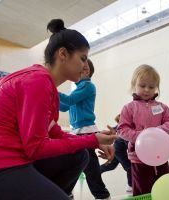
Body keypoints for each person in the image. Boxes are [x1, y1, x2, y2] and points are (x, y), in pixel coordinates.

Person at [0, 19, 117, 200]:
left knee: (79, 155)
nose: (86, 66)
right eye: (83, 58)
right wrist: (91, 138)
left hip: (11, 160)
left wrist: (93, 141)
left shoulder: (46, 86)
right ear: (63, 54)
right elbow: (36, 148)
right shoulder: (38, 82)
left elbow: (55, 132)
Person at [118, 64, 169, 196]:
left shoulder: (161, 107)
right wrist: (141, 136)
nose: (146, 90)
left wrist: (158, 132)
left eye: (151, 87)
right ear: (134, 84)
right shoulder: (129, 108)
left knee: (163, 188)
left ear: (156, 87)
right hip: (139, 158)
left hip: (161, 156)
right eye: (142, 85)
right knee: (142, 191)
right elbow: (122, 129)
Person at [59, 59, 112, 200]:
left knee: (90, 167)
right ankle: (67, 192)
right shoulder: (78, 90)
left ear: (86, 70)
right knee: (76, 164)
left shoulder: (88, 86)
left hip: (86, 131)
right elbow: (64, 106)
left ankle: (102, 195)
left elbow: (69, 101)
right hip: (78, 132)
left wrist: (49, 89)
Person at [100, 114, 132, 193]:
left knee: (111, 166)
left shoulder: (121, 127)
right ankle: (130, 186)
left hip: (117, 149)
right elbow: (128, 145)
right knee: (130, 167)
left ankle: (96, 170)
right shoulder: (123, 128)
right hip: (118, 151)